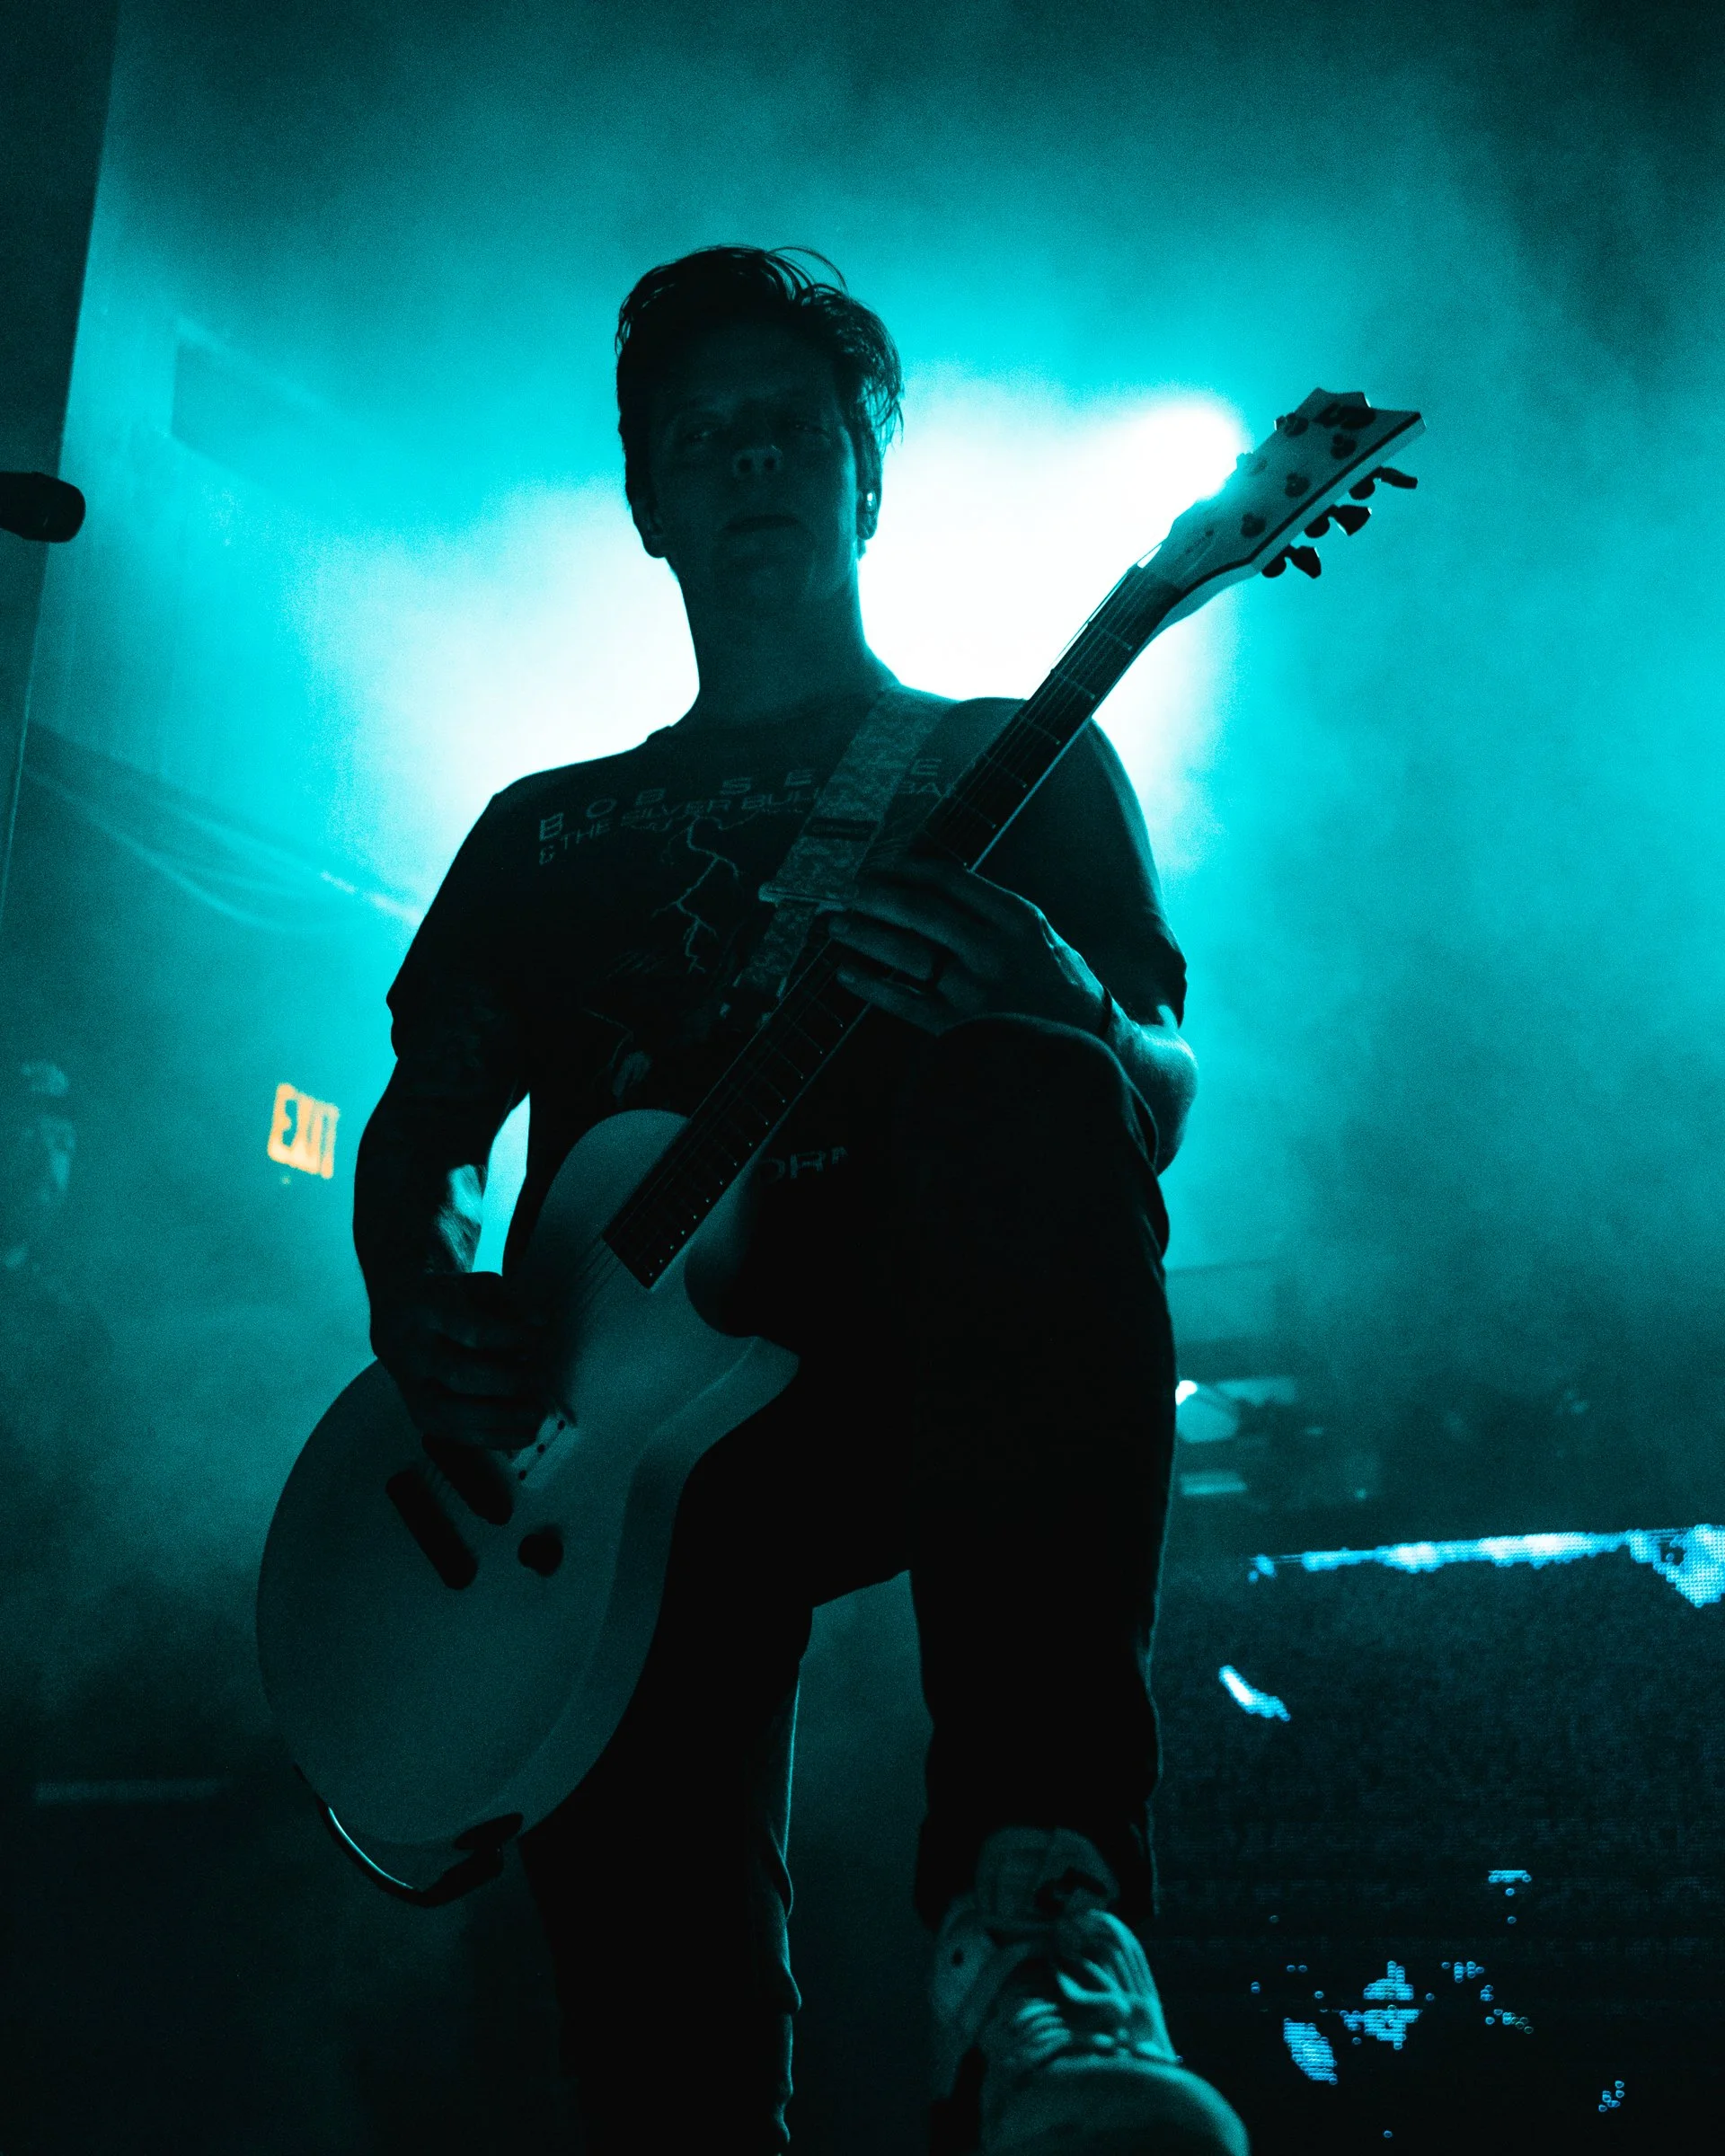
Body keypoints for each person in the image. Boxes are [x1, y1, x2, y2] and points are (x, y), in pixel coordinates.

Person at [354, 246, 1247, 2156]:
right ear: (646, 506)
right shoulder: (536, 828)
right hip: (601, 1450)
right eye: (702, 436)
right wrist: (415, 1301)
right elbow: (426, 1130)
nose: (750, 459)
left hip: (928, 1356)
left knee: (1033, 1077)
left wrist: (1069, 1003)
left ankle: (1036, 1928)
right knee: (659, 2060)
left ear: (866, 475)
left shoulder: (1011, 755)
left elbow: (1155, 1093)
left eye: (790, 425)